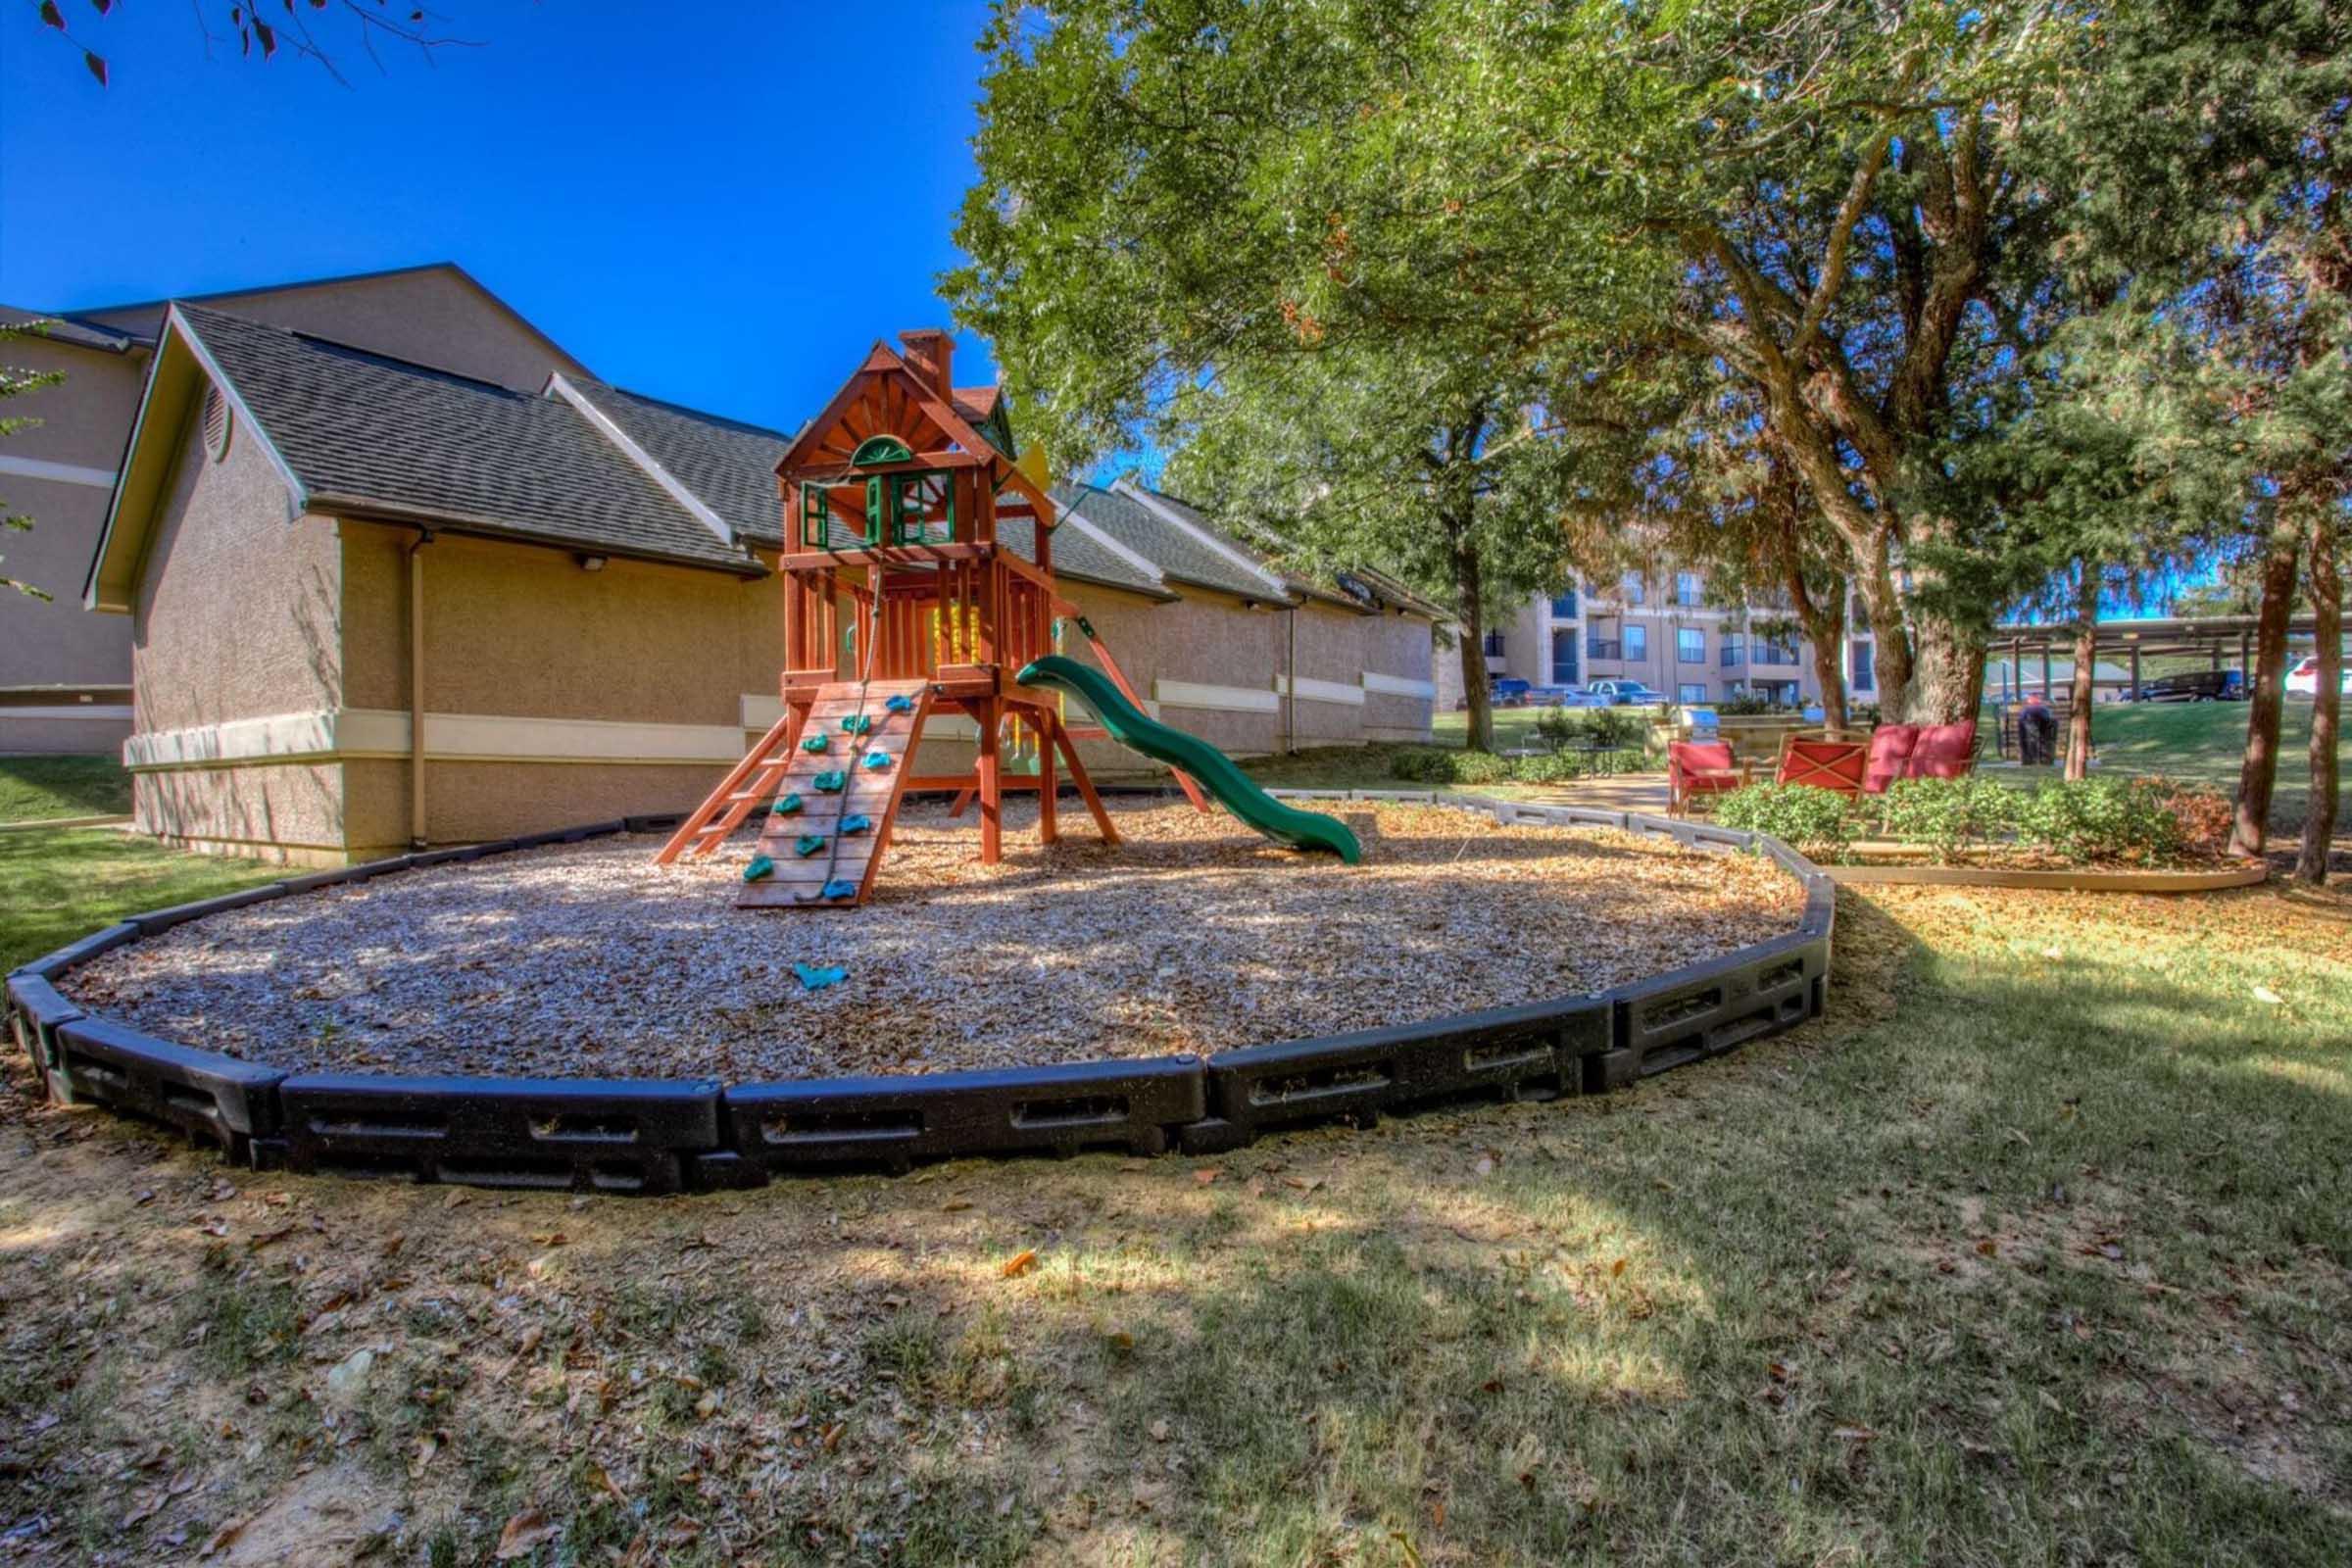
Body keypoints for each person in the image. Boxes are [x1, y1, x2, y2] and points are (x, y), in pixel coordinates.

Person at [2018, 689, 2058, 766]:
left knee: (2033, 743)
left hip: (2031, 733)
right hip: (2039, 734)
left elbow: (2022, 721)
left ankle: (2030, 760)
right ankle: (2043, 760)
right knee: (2039, 743)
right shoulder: (2044, 710)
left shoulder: (2027, 710)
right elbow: (2050, 721)